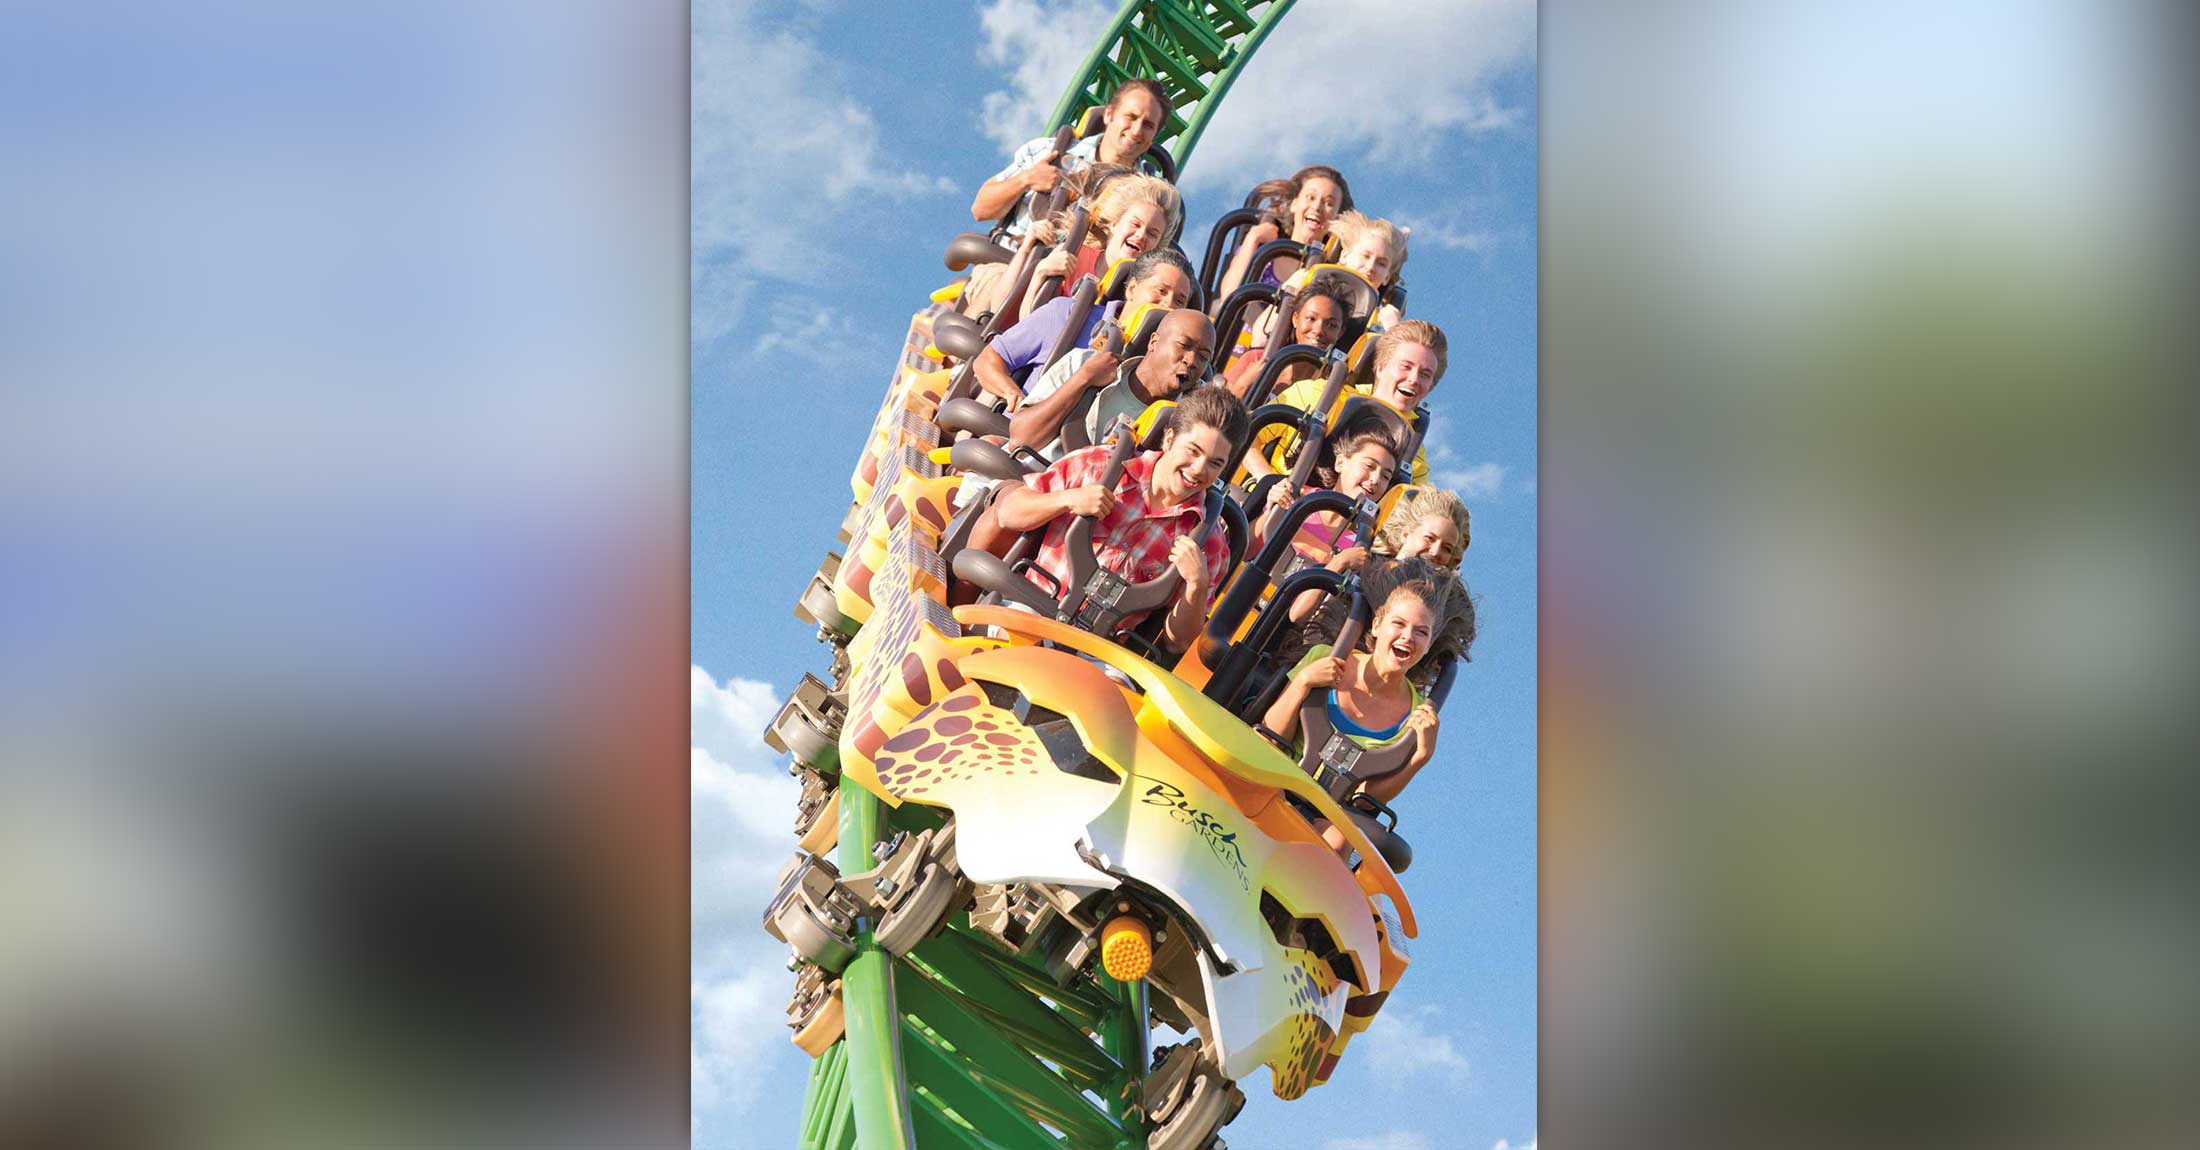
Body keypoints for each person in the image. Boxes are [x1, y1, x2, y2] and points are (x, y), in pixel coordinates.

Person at [988, 386, 1251, 651]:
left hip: (1098, 651)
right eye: (1193, 451)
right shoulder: (1099, 466)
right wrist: (1068, 499)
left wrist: (1197, 584)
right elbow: (1008, 512)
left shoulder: (1208, 541)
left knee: (1111, 691)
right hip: (1032, 608)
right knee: (1016, 652)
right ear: (1169, 439)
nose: (1198, 470)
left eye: (1215, 463)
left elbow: (1177, 642)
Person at [1262, 578, 1445, 821]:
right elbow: (1270, 737)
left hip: (1328, 816)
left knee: (1340, 841)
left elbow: (1366, 801)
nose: (1408, 637)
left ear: (1428, 645)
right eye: (1399, 624)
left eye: (1421, 632)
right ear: (1378, 625)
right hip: (1274, 773)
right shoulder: (1325, 657)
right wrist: (1303, 681)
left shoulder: (1417, 717)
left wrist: (1420, 757)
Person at [969, 249, 1195, 408]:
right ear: (1132, 288)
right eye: (1161, 291)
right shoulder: (1068, 314)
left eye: (1179, 301)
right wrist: (1012, 395)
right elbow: (988, 360)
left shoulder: (1171, 365)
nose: (1167, 305)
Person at [1245, 319, 1448, 483]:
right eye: (1405, 366)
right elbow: (1246, 435)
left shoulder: (1413, 451)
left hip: (1341, 532)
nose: (1413, 379)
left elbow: (1412, 514)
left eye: (1425, 374)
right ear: (1380, 367)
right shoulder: (1318, 394)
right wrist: (1268, 481)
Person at [970, 79, 1173, 242]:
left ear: (1154, 135)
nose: (1137, 130)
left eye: (1147, 125)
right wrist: (1027, 179)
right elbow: (981, 210)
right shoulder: (1047, 150)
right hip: (1010, 265)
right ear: (1109, 114)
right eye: (1131, 116)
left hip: (1075, 287)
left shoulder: (1145, 195)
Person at [1009, 307, 1214, 456]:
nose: (1192, 360)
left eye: (1203, 357)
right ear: (1154, 342)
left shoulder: (1188, 424)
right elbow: (1020, 439)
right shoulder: (1083, 363)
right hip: (1027, 476)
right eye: (1184, 345)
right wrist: (1084, 379)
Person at [1020, 174, 1180, 316]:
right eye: (1135, 224)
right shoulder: (1073, 254)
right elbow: (1026, 322)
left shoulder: (1143, 289)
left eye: (1152, 234)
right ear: (1115, 224)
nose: (1141, 235)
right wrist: (1041, 272)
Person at [1254, 416, 1399, 565]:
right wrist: (1271, 514)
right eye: (1369, 466)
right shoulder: (1298, 496)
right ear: (1340, 463)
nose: (1375, 479)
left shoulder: (1361, 543)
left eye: (1385, 476)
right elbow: (1245, 551)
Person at [1215, 165, 1353, 302]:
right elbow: (1229, 296)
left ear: (1336, 219)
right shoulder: (1262, 249)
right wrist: (1253, 238)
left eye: (1328, 203)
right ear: (1294, 204)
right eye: (1311, 197)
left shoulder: (1328, 275)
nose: (1317, 207)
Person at [1222, 279, 1347, 402]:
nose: (1319, 330)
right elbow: (1216, 413)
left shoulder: (1333, 387)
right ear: (1295, 319)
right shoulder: (1255, 359)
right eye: (1311, 319)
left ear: (1340, 333)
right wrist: (1245, 383)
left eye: (1331, 325)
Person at [1328, 212, 1410, 329]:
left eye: (1381, 264)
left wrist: (1393, 329)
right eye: (1366, 256)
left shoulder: (1380, 321)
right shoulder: (1309, 281)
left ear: (1387, 277)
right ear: (1345, 256)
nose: (1371, 267)